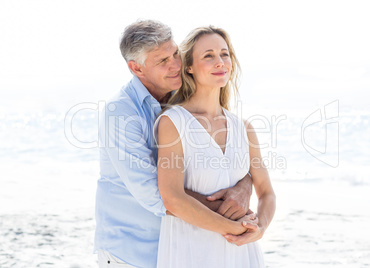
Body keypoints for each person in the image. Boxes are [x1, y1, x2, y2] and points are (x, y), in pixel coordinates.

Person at [94, 20, 254, 268]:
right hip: (131, 253)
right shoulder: (121, 114)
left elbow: (228, 157)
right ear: (137, 68)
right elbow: (156, 194)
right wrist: (232, 215)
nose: (175, 65)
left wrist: (244, 186)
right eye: (162, 61)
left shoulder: (185, 99)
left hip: (181, 250)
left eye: (175, 54)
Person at [154, 26, 276, 267]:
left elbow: (267, 193)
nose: (220, 62)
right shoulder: (173, 122)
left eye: (224, 54)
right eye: (208, 55)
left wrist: (259, 228)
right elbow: (172, 199)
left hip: (243, 254)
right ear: (188, 66)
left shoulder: (244, 127)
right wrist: (235, 228)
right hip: (191, 252)